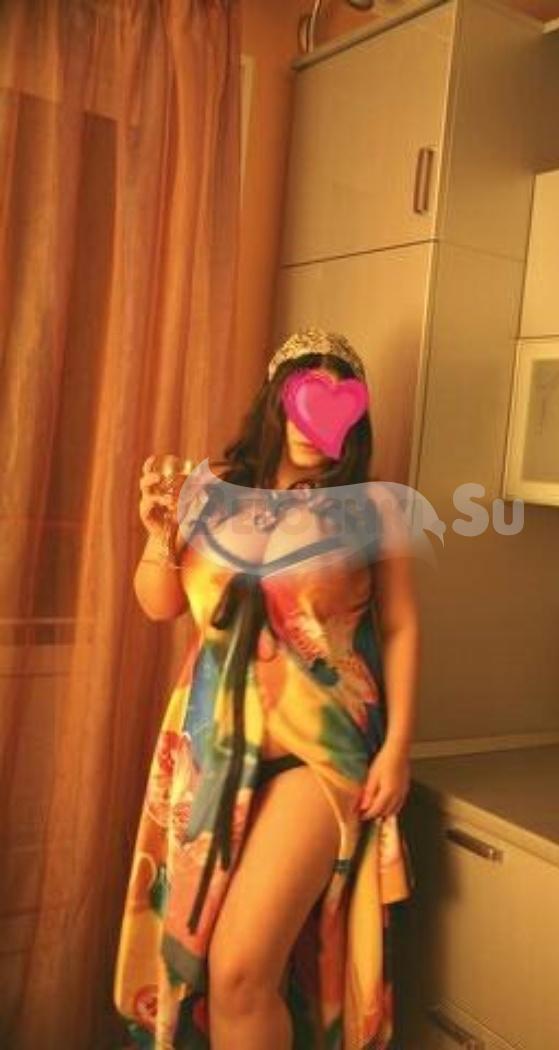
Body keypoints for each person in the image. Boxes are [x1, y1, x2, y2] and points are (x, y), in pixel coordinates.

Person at [113, 326, 420, 1049]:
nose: (313, 427)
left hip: (321, 754)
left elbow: (400, 626)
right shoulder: (210, 490)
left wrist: (398, 747)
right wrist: (158, 534)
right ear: (275, 403)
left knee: (240, 970)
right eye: (302, 402)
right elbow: (160, 604)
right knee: (208, 975)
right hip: (213, 751)